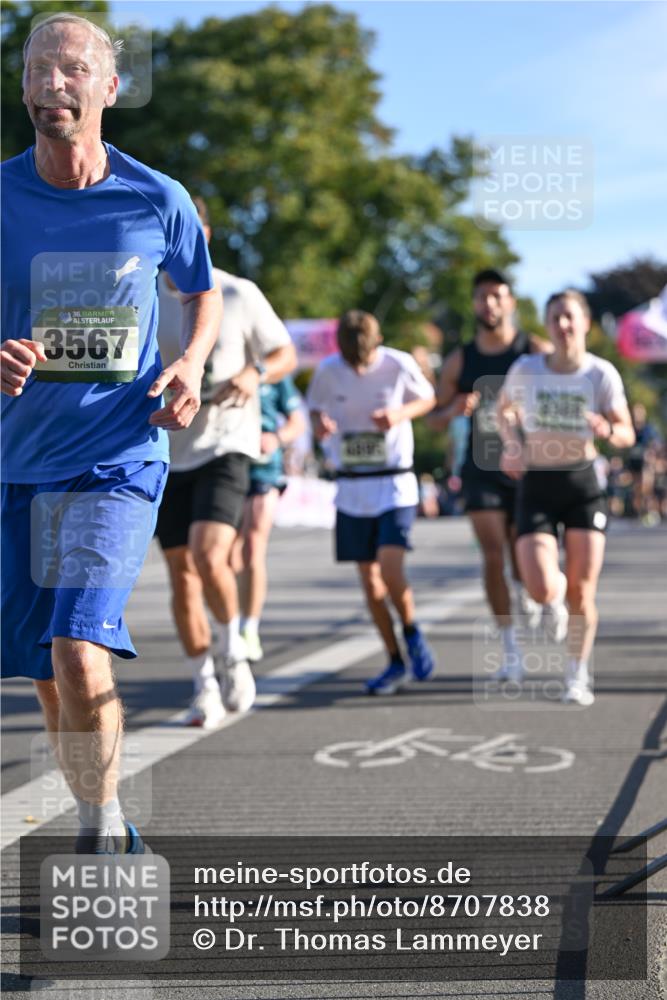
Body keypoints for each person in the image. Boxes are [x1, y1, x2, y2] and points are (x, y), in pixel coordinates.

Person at [0, 15, 220, 854]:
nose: (54, 82)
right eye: (39, 69)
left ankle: (100, 829)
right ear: (23, 88)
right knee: (49, 677)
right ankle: (110, 817)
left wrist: (192, 364)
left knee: (78, 648)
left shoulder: (154, 197)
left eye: (73, 68)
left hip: (118, 459)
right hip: (18, 464)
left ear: (109, 88)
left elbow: (201, 292)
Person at [155, 198, 297, 727]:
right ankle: (202, 684)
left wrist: (254, 374)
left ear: (205, 235)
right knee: (180, 574)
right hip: (168, 451)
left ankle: (233, 649)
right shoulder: (143, 296)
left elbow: (286, 353)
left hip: (227, 445)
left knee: (208, 554)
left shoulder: (237, 293)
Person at [498, 289, 635, 705]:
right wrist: (512, 444)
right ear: (547, 323)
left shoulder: (600, 374)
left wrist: (607, 430)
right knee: (540, 586)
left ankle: (577, 675)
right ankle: (549, 599)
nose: (562, 325)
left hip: (582, 486)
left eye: (569, 317)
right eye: (555, 317)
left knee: (582, 591)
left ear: (585, 323)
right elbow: (503, 410)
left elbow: (626, 431)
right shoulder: (527, 369)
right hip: (538, 483)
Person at [428, 269, 550, 680]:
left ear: (511, 302)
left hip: (527, 468)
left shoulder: (532, 350)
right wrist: (453, 409)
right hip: (481, 468)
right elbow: (434, 420)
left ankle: (530, 591)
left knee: (522, 557)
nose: (490, 304)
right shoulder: (461, 360)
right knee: (492, 553)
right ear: (474, 303)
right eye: (482, 296)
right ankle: (510, 648)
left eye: (498, 296)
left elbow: (562, 391)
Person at [307, 310, 436, 695]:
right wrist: (320, 425)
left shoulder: (399, 363)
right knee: (369, 580)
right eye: (351, 361)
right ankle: (394, 659)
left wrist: (399, 413)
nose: (359, 369)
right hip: (352, 487)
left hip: (394, 483)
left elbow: (427, 398)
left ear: (377, 343)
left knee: (391, 568)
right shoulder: (328, 369)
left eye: (363, 360)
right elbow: (314, 408)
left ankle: (411, 631)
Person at [231, 376, 305, 663]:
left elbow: (296, 422)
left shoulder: (275, 375)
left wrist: (276, 437)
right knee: (225, 554)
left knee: (252, 547)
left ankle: (249, 628)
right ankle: (231, 619)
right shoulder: (224, 363)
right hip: (226, 465)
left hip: (263, 469)